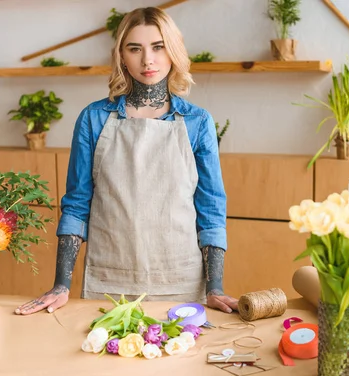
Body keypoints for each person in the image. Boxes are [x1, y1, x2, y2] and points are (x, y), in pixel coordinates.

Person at [15, 7, 238, 316]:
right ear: (121, 56)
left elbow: (211, 209)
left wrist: (215, 288)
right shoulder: (94, 118)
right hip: (108, 282)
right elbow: (78, 204)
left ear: (173, 50)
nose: (148, 60)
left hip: (180, 283)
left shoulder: (197, 122)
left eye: (158, 47)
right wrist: (60, 284)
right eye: (135, 49)